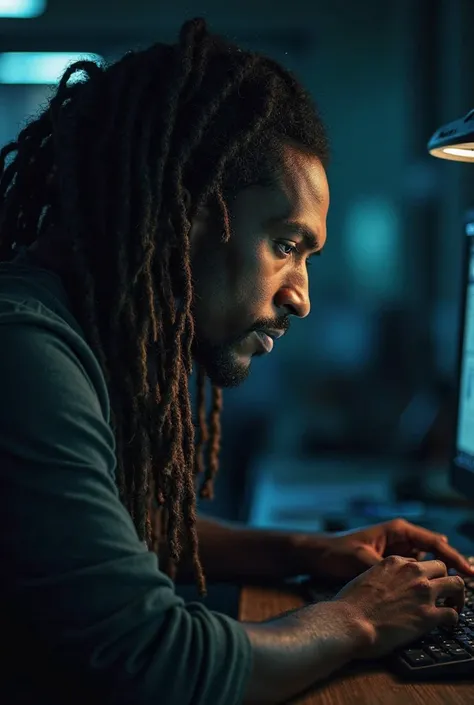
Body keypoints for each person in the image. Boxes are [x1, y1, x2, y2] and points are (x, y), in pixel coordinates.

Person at [0, 17, 472, 705]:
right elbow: (158, 662)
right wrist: (358, 615)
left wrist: (301, 552)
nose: (301, 296)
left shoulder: (65, 329)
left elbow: (111, 536)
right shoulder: (25, 355)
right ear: (182, 212)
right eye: (286, 244)